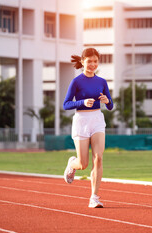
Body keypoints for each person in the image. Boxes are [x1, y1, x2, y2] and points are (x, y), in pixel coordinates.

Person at [62, 48, 113, 208]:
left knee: (98, 158)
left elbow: (110, 106)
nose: (92, 64)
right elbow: (66, 104)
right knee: (83, 164)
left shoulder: (102, 82)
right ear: (83, 61)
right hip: (81, 120)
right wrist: (82, 102)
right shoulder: (76, 81)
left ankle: (94, 197)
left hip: (97, 119)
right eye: (89, 61)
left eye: (95, 61)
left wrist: (106, 101)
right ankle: (72, 164)